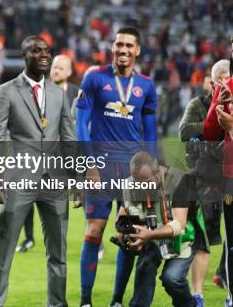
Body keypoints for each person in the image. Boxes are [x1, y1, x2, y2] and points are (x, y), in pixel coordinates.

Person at [0, 36, 75, 307]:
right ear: (24, 55)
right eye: (37, 51)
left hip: (55, 181)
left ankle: (57, 304)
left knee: (58, 253)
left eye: (48, 51)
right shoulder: (6, 91)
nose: (44, 56)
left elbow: (68, 139)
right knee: (4, 246)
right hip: (18, 178)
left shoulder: (59, 94)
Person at [76, 27, 158, 307]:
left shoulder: (146, 86)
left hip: (133, 171)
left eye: (128, 46)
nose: (123, 50)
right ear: (112, 47)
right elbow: (80, 125)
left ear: (137, 51)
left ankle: (116, 301)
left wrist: (152, 170)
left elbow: (150, 134)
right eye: (118, 44)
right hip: (100, 164)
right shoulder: (94, 77)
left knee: (128, 234)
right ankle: (86, 301)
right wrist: (89, 164)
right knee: (94, 230)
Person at [118, 152, 205, 307]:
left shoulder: (180, 181)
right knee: (145, 266)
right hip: (153, 239)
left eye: (146, 182)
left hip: (183, 238)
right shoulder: (131, 184)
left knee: (171, 278)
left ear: (158, 171)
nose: (142, 186)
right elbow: (124, 213)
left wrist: (149, 234)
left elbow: (179, 225)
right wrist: (126, 234)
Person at [17, 54, 80, 254]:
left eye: (62, 68)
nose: (56, 70)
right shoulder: (38, 91)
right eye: (55, 66)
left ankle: (95, 239)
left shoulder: (78, 95)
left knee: (76, 198)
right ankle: (28, 238)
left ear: (70, 73)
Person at [179, 61, 229, 305]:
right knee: (203, 240)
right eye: (224, 80)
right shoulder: (198, 104)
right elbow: (184, 131)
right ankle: (197, 294)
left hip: (229, 176)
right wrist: (214, 124)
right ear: (213, 82)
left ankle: (223, 277)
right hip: (205, 177)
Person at [202, 38, 233, 307]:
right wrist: (216, 104)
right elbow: (210, 133)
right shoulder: (228, 87)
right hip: (231, 176)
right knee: (232, 244)